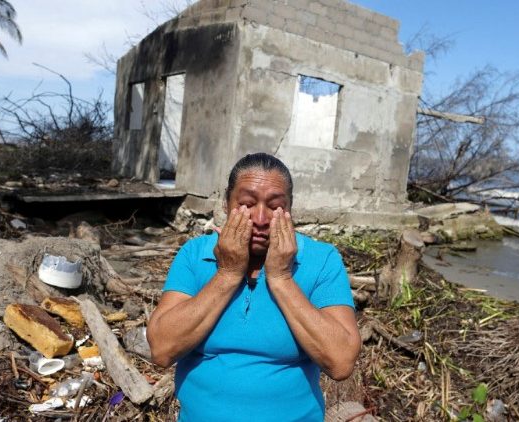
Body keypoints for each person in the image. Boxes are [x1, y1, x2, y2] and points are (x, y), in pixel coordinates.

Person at [147, 153, 361, 421]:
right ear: (227, 204)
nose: (260, 218)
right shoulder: (195, 255)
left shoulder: (321, 260)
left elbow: (341, 362)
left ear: (290, 209)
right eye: (247, 203)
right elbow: (161, 350)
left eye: (275, 206)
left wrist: (282, 278)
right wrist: (227, 273)